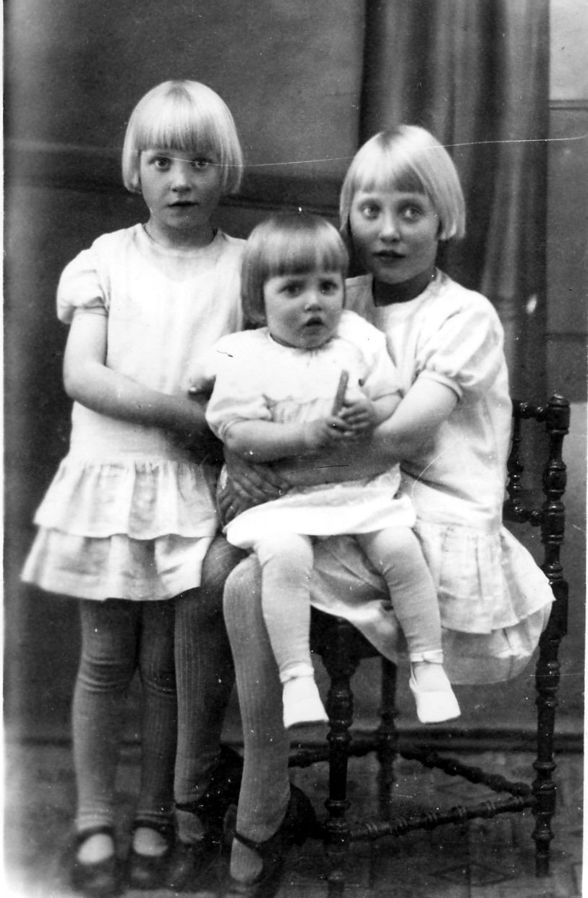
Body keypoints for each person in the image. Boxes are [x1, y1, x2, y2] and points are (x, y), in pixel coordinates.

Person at [218, 125, 555, 898]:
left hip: (428, 515)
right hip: (345, 499)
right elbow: (256, 381)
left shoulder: (464, 316)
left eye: (412, 211)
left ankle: (260, 808)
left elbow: (400, 438)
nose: (390, 230)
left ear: (445, 219)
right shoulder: (337, 294)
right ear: (349, 217)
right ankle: (201, 785)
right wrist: (242, 457)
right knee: (211, 575)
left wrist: (272, 471)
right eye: (371, 210)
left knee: (244, 583)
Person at [21, 79, 247, 897]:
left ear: (225, 170)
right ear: (136, 170)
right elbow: (82, 375)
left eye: (199, 162)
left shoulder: (244, 268)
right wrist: (182, 415)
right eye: (161, 162)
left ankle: (155, 813)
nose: (180, 180)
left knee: (167, 668)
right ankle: (93, 818)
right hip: (112, 485)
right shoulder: (106, 261)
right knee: (105, 658)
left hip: (193, 490)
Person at [199, 212, 460, 732]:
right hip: (282, 503)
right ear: (259, 302)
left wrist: (371, 411)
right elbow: (238, 432)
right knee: (286, 555)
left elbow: (390, 397)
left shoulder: (357, 339)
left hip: (355, 490)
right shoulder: (245, 354)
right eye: (292, 289)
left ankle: (429, 667)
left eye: (327, 286)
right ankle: (296, 679)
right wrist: (304, 436)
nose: (314, 302)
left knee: (400, 547)